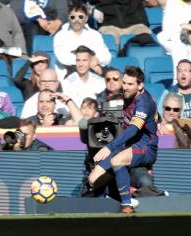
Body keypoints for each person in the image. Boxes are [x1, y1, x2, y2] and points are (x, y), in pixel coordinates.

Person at [88, 66, 159, 213]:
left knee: (116, 161)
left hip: (145, 147)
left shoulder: (144, 103)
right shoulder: (126, 94)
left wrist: (109, 147)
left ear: (140, 85)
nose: (125, 87)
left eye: (130, 84)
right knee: (93, 180)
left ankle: (127, 205)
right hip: (126, 146)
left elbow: (133, 129)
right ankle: (123, 198)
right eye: (124, 83)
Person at [53, 2, 111, 79]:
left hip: (94, 76)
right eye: (73, 17)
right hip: (68, 78)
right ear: (68, 18)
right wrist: (89, 63)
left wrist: (97, 60)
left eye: (80, 17)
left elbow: (106, 56)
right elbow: (63, 58)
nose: (76, 20)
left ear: (86, 18)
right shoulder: (60, 35)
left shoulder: (95, 35)